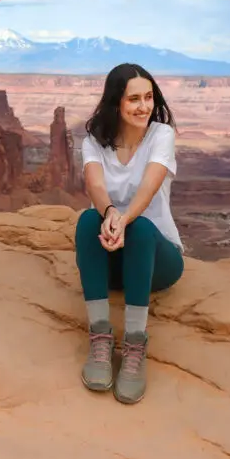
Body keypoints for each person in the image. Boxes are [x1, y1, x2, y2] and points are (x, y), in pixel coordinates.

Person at [75, 63, 184, 404]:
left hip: (158, 261)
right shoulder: (94, 141)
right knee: (86, 221)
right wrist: (108, 214)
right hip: (115, 262)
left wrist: (122, 220)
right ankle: (101, 339)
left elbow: (149, 188)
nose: (144, 106)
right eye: (133, 98)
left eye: (149, 97)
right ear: (115, 103)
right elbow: (95, 184)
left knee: (140, 229)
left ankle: (135, 345)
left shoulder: (161, 135)